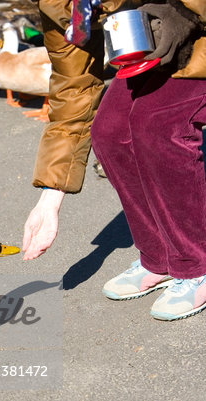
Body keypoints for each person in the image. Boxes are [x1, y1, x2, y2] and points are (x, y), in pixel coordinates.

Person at [23, 0, 206, 321]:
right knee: (110, 132)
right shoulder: (60, 8)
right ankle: (160, 257)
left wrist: (182, 16)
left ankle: (197, 264)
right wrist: (49, 201)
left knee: (158, 125)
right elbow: (73, 88)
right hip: (157, 35)